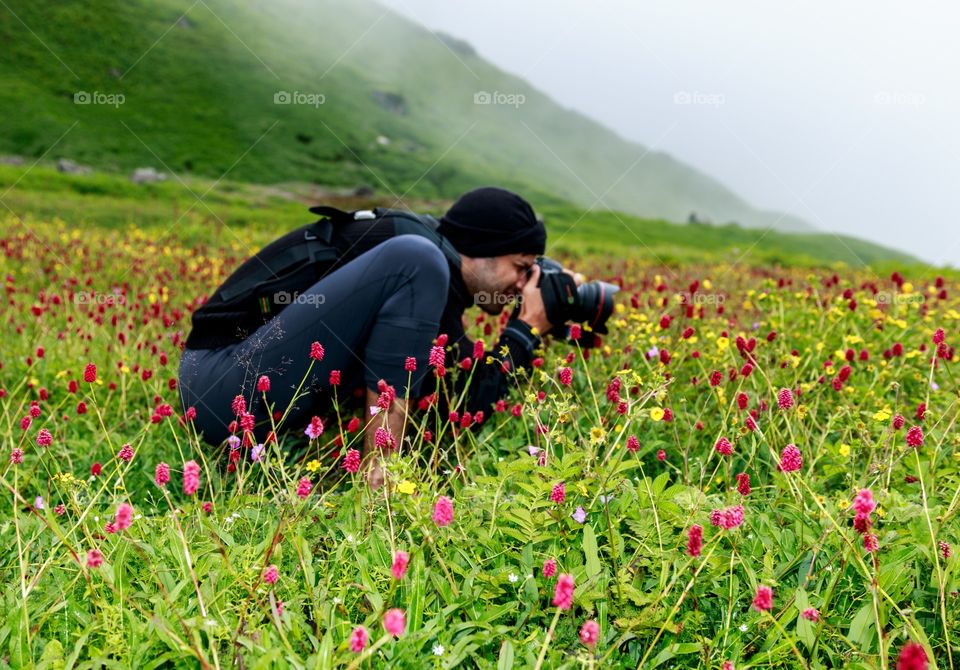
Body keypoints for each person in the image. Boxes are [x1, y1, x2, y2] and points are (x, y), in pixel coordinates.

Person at [177, 186, 573, 484]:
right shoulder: (422, 261)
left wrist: (541, 326)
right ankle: (377, 480)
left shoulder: (431, 262)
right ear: (482, 250)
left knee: (419, 261)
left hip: (236, 383)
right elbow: (464, 402)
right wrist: (524, 329)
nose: (523, 285)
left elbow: (460, 400)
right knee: (417, 260)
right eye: (521, 267)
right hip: (221, 386)